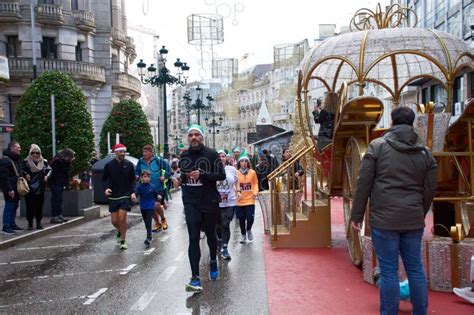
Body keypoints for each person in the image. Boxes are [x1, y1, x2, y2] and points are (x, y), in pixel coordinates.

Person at [350, 106, 437, 315]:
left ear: (392, 122)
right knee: (415, 268)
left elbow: (364, 183)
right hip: (413, 218)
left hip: (384, 218)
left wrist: (357, 215)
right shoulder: (425, 152)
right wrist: (420, 211)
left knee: (389, 271)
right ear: (412, 124)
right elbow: (430, 188)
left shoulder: (377, 146)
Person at [179, 124, 225, 292]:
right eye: (190, 135)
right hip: (191, 203)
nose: (193, 138)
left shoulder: (211, 154)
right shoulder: (184, 156)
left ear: (202, 137)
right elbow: (183, 176)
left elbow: (221, 175)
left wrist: (202, 174)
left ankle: (213, 259)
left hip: (209, 201)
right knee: (193, 238)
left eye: (196, 135)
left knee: (211, 235)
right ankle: (195, 278)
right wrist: (182, 178)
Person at [102, 144, 136, 250]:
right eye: (120, 152)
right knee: (114, 221)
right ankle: (121, 231)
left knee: (122, 218)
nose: (123, 154)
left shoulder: (129, 164)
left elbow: (133, 180)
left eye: (124, 152)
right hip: (113, 196)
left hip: (125, 194)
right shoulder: (109, 165)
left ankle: (123, 240)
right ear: (115, 152)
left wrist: (133, 192)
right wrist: (106, 188)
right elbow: (103, 179)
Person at [135, 145, 170, 231]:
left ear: (151, 152)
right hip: (146, 188)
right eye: (143, 152)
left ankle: (163, 219)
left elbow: (168, 169)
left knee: (156, 205)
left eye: (146, 152)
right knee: (151, 207)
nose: (144, 154)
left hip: (158, 187)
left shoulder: (158, 160)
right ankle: (157, 223)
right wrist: (137, 176)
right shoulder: (140, 161)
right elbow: (137, 171)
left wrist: (164, 177)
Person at [216, 150, 238, 260]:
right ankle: (219, 240)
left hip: (230, 201)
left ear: (226, 158)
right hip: (216, 202)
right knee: (217, 225)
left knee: (225, 223)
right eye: (219, 156)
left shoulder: (232, 169)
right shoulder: (212, 169)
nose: (221, 158)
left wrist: (237, 191)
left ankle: (225, 247)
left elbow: (236, 182)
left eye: (223, 156)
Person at [22, 144, 50, 230]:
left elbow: (49, 170)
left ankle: (38, 223)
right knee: (29, 207)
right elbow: (21, 170)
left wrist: (47, 176)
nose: (35, 154)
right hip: (29, 188)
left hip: (40, 187)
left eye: (37, 152)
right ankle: (30, 224)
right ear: (30, 153)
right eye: (33, 152)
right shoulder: (26, 162)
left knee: (39, 207)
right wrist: (26, 174)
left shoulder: (44, 161)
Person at [0, 141, 24, 234]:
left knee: (14, 206)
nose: (20, 149)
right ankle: (6, 226)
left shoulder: (15, 159)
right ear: (12, 148)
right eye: (18, 147)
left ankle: (12, 224)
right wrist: (9, 189)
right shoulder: (5, 160)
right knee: (9, 206)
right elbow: (4, 177)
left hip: (15, 187)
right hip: (10, 188)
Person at [236, 153, 259, 244]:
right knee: (241, 219)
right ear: (239, 163)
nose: (244, 163)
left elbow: (256, 183)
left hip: (250, 199)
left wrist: (255, 192)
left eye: (246, 161)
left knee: (250, 218)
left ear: (248, 162)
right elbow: (234, 184)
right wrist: (237, 192)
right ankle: (243, 235)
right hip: (240, 200)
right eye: (242, 161)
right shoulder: (236, 173)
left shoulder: (252, 172)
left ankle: (248, 229)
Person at [48, 148, 75, 224]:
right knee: (56, 199)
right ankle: (55, 216)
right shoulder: (57, 161)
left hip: (59, 183)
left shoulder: (61, 161)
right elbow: (63, 171)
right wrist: (68, 163)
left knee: (59, 200)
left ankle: (59, 214)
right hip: (55, 182)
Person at [133, 170, 159, 246]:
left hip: (150, 207)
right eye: (145, 177)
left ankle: (149, 237)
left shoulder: (153, 187)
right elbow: (136, 194)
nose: (147, 178)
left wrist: (158, 197)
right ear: (141, 178)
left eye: (148, 177)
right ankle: (149, 233)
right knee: (146, 222)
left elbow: (156, 195)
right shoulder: (139, 187)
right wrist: (134, 196)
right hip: (143, 207)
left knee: (149, 221)